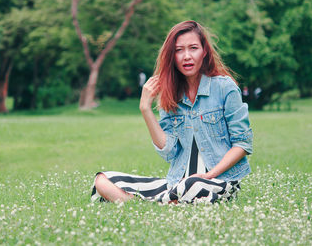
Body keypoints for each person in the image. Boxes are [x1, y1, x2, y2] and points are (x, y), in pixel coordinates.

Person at [91, 20, 253, 204]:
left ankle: (147, 204)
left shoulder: (225, 88)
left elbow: (243, 144)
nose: (186, 56)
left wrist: (209, 175)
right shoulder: (171, 95)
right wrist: (145, 109)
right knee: (102, 180)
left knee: (193, 185)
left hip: (217, 182)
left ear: (204, 51)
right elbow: (169, 151)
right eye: (179, 50)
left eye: (193, 48)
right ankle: (163, 202)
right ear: (172, 56)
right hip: (176, 184)